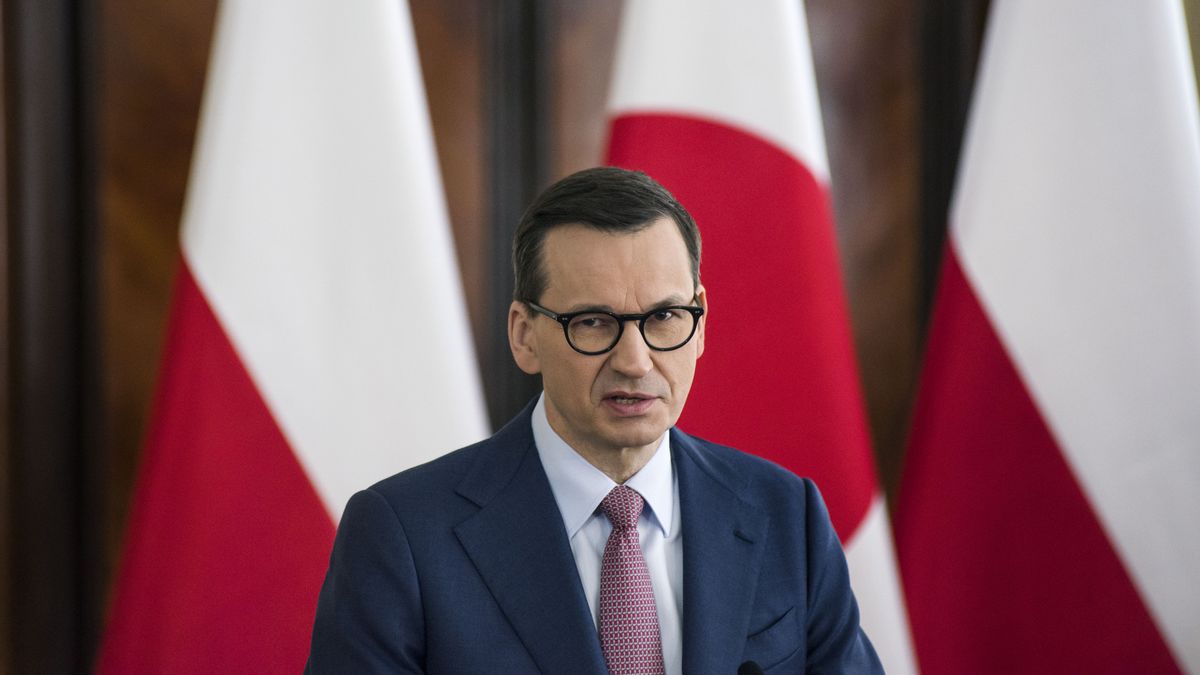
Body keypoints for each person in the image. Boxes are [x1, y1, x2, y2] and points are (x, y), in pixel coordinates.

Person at [306, 167, 882, 674]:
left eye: (664, 317)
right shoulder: (403, 537)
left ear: (700, 324)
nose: (634, 360)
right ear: (524, 336)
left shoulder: (787, 516)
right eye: (592, 323)